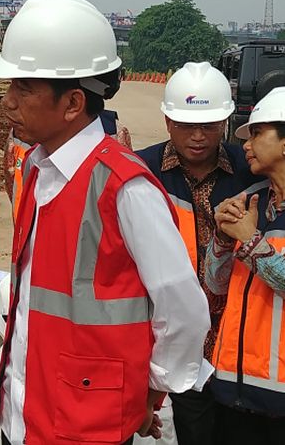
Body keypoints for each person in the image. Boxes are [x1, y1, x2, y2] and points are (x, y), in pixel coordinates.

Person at [0, 0, 210, 445]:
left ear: (72, 103)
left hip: (88, 425)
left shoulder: (124, 187)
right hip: (25, 413)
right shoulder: (34, 166)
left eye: (23, 89)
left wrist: (150, 392)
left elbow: (183, 309)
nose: (8, 102)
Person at [136, 62, 262, 445]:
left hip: (238, 332)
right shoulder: (141, 172)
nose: (197, 136)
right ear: (167, 120)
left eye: (208, 125)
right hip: (176, 332)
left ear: (225, 121)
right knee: (194, 430)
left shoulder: (250, 170)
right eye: (186, 125)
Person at [205, 86, 285, 445]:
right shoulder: (249, 201)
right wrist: (222, 240)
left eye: (256, 133)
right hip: (233, 388)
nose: (246, 145)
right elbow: (217, 284)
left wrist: (251, 241)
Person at [4, 110, 133, 221]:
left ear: (74, 101)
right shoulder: (19, 133)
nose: (8, 101)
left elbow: (11, 180)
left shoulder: (21, 134)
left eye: (27, 91)